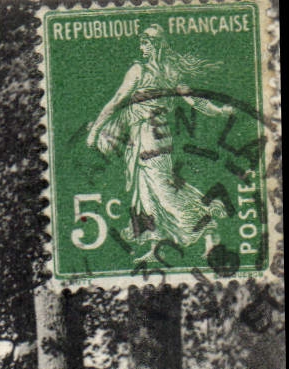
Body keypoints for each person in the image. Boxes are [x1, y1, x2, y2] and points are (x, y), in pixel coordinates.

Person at [84, 26, 233, 263]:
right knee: (145, 190)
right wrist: (219, 111)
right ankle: (156, 247)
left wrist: (94, 131)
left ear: (155, 45)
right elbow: (193, 100)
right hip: (146, 136)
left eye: (145, 44)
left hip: (150, 136)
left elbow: (116, 101)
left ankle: (209, 227)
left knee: (162, 190)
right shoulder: (167, 71)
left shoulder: (140, 71)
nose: (141, 48)